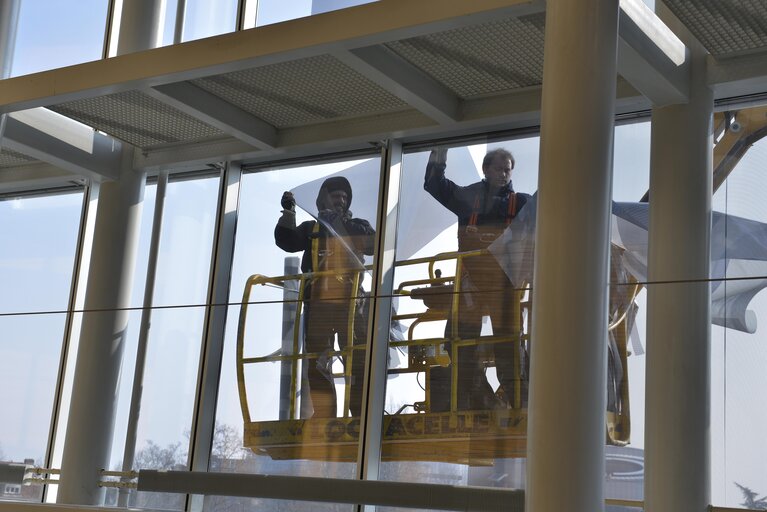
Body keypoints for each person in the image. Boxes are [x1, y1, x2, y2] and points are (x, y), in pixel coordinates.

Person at [424, 147, 531, 411]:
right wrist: (440, 151)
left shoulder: (522, 204)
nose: (504, 174)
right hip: (471, 283)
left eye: (508, 169)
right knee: (457, 342)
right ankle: (471, 399)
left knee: (509, 345)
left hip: (504, 284)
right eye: (499, 168)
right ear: (485, 169)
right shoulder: (468, 197)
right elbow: (434, 184)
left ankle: (517, 401)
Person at [275, 176, 375, 418]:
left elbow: (372, 244)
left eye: (344, 197)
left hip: (350, 303)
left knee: (357, 357)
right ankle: (325, 414)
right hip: (318, 303)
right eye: (335, 196)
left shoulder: (357, 225)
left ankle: (361, 414)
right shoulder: (312, 229)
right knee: (318, 360)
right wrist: (288, 214)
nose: (340, 200)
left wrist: (339, 224)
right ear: (323, 199)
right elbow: (286, 241)